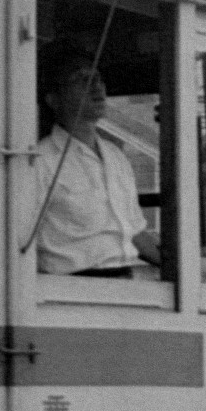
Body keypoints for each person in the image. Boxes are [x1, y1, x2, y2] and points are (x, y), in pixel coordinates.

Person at [30, 54, 161, 277]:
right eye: (81, 80)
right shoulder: (39, 161)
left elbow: (135, 232)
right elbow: (20, 241)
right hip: (72, 287)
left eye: (97, 78)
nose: (96, 87)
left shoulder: (115, 156)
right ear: (53, 99)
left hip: (127, 281)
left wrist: (183, 271)